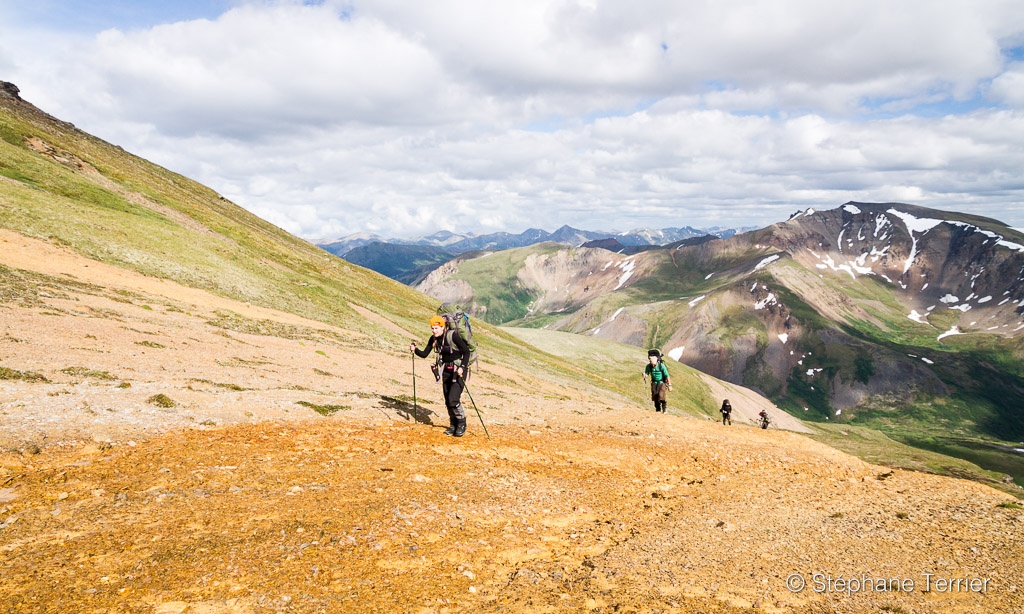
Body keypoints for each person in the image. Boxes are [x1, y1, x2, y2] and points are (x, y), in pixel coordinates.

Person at [411, 315, 471, 437]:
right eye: (432, 328)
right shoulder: (433, 338)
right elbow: (424, 354)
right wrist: (415, 349)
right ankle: (453, 425)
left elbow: (466, 352)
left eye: (436, 328)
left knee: (453, 399)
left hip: (458, 370)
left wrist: (462, 367)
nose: (434, 331)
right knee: (448, 399)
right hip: (446, 370)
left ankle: (461, 423)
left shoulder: (453, 336)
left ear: (443, 327)